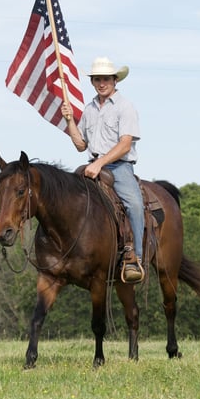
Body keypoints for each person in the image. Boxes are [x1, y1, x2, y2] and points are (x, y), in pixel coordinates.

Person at [61, 56, 145, 284]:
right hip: (91, 165)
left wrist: (99, 164)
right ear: (92, 82)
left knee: (135, 205)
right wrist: (69, 120)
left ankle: (135, 258)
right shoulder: (89, 109)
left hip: (118, 167)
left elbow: (125, 144)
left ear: (115, 80)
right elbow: (80, 145)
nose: (101, 83)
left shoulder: (125, 107)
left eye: (106, 78)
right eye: (97, 79)